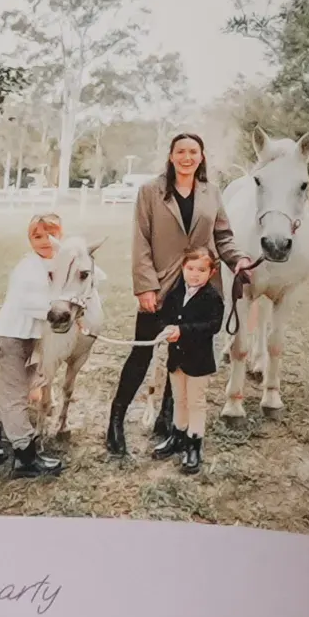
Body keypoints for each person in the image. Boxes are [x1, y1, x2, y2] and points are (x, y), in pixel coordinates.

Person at [105, 133, 245, 457]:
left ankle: (171, 423)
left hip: (199, 290)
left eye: (193, 151)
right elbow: (140, 240)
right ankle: (115, 421)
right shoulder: (150, 192)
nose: (186, 157)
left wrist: (239, 261)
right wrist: (145, 286)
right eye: (180, 151)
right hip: (160, 286)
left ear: (201, 156)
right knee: (141, 356)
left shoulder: (212, 193)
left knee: (181, 359)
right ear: (171, 156)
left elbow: (223, 236)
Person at [0, 213, 67, 479]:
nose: (46, 241)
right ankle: (25, 458)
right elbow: (31, 304)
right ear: (30, 240)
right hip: (9, 339)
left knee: (14, 391)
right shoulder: (28, 268)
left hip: (30, 340)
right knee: (15, 397)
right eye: (38, 236)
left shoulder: (55, 263)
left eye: (52, 235)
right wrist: (59, 314)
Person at [149, 246, 226, 476]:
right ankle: (177, 435)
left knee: (196, 403)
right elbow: (164, 318)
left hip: (198, 363)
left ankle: (194, 444)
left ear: (211, 273)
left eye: (201, 270)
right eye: (190, 268)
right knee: (179, 400)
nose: (194, 274)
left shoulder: (212, 298)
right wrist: (166, 328)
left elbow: (213, 326)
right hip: (177, 360)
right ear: (183, 268)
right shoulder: (176, 292)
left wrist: (182, 330)